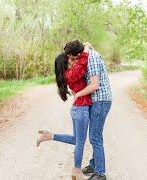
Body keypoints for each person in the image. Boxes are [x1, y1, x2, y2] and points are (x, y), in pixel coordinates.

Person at [36, 40, 91, 180]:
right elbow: (83, 63)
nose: (73, 60)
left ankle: (49, 136)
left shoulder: (68, 74)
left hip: (78, 109)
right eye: (70, 59)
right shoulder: (70, 74)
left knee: (76, 140)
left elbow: (80, 64)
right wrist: (85, 49)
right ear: (65, 63)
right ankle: (76, 171)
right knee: (80, 142)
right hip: (81, 110)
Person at [66, 40, 112, 180]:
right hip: (96, 100)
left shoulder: (91, 59)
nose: (72, 61)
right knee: (96, 134)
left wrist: (78, 94)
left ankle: (100, 173)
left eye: (73, 58)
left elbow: (94, 85)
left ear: (78, 54)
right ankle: (94, 164)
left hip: (100, 100)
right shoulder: (87, 56)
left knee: (94, 137)